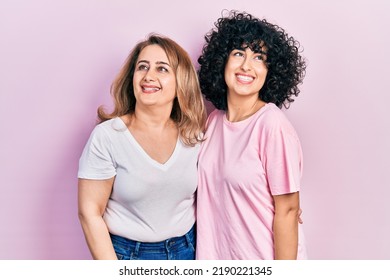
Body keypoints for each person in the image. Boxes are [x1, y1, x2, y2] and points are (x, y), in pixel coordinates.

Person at [77, 34, 206, 260]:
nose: (148, 76)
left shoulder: (193, 135)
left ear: (181, 81)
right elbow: (89, 213)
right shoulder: (108, 136)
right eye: (142, 67)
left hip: (188, 250)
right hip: (127, 255)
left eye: (162, 69)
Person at [196, 11, 308, 260]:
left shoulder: (272, 125)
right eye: (238, 53)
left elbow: (288, 211)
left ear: (270, 72)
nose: (246, 65)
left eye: (259, 57)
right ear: (222, 61)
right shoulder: (213, 122)